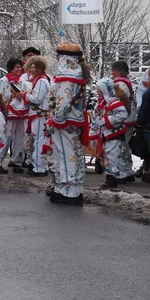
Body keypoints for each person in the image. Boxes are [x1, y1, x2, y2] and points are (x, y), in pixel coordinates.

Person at [46, 44, 90, 204]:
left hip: (65, 122)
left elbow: (63, 101)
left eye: (59, 55)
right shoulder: (77, 73)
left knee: (66, 155)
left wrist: (56, 119)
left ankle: (68, 190)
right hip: (74, 120)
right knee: (74, 153)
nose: (57, 59)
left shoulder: (67, 75)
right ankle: (73, 188)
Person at [91, 78, 129, 189]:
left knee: (112, 155)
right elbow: (95, 120)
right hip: (104, 135)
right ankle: (110, 177)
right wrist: (93, 133)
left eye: (99, 90)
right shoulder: (100, 104)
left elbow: (122, 115)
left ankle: (111, 178)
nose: (97, 92)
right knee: (106, 155)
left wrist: (107, 120)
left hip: (114, 134)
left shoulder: (115, 103)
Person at [18, 56, 51, 176]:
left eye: (33, 68)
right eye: (30, 67)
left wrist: (25, 95)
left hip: (39, 115)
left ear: (39, 69)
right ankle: (40, 165)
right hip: (36, 115)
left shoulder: (42, 81)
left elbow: (37, 99)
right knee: (37, 141)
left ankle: (39, 167)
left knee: (39, 142)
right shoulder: (38, 81)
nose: (31, 70)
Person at [0, 58, 30, 173]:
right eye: (16, 67)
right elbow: (0, 97)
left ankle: (17, 161)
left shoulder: (22, 81)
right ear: (11, 68)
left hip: (21, 113)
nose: (19, 69)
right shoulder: (4, 80)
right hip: (9, 113)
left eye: (19, 67)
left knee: (20, 138)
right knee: (7, 137)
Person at [111, 61, 136, 183]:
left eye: (114, 70)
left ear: (119, 71)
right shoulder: (127, 82)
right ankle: (128, 170)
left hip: (123, 118)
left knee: (121, 146)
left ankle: (122, 172)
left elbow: (119, 100)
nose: (112, 73)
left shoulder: (119, 84)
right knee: (125, 145)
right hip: (129, 117)